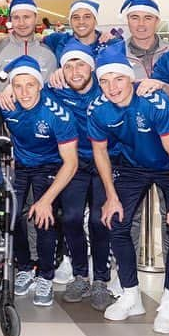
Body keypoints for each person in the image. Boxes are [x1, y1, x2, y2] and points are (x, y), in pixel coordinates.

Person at [88, 43, 169, 333]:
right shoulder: (98, 109)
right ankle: (131, 294)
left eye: (119, 79)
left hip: (167, 164)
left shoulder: (154, 103)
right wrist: (111, 196)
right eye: (105, 81)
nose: (112, 87)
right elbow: (99, 153)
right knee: (116, 221)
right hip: (133, 165)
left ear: (130, 78)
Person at [0, 55, 79, 307]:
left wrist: (46, 200)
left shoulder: (58, 115)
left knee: (44, 217)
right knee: (14, 214)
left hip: (52, 165)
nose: (24, 92)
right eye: (18, 86)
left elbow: (71, 163)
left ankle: (46, 274)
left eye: (30, 85)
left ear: (39, 85)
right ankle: (25, 267)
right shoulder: (6, 105)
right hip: (21, 165)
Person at [46, 39, 113, 309]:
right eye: (69, 65)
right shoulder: (56, 89)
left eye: (81, 64)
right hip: (73, 163)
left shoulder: (108, 87)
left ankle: (101, 280)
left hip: (104, 163)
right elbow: (26, 94)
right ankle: (80, 275)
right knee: (71, 218)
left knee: (99, 220)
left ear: (92, 68)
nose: (75, 71)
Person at [0, 0, 56, 105]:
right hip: (4, 117)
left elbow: (52, 91)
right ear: (10, 21)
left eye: (26, 17)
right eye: (16, 18)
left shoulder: (48, 53)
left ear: (36, 18)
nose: (21, 23)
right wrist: (0, 101)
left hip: (38, 118)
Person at [118, 0, 169, 80]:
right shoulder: (116, 54)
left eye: (148, 18)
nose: (141, 24)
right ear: (128, 20)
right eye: (135, 18)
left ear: (157, 21)